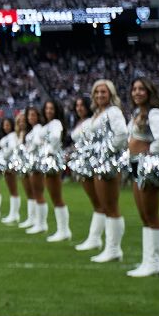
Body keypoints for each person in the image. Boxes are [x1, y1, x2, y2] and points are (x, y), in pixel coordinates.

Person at [125, 78, 159, 278]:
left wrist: (149, 153)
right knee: (144, 214)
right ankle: (147, 261)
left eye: (141, 89)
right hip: (136, 166)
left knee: (151, 214)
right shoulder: (137, 113)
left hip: (147, 167)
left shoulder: (154, 113)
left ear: (149, 92)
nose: (137, 92)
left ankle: (155, 262)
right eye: (134, 89)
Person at [87, 79, 128, 264]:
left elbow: (121, 134)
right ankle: (109, 247)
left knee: (111, 206)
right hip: (99, 161)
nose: (99, 95)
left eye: (103, 92)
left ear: (111, 94)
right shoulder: (98, 113)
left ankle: (114, 249)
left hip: (108, 162)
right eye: (97, 92)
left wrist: (107, 152)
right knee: (104, 205)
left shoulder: (113, 112)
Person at [69, 97, 103, 252]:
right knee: (96, 202)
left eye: (82, 105)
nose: (79, 108)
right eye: (77, 105)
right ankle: (94, 238)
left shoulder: (90, 121)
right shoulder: (80, 122)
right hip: (83, 163)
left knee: (99, 202)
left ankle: (96, 239)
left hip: (90, 163)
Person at [40, 100, 71, 242]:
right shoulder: (49, 124)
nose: (48, 111)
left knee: (56, 197)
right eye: (46, 108)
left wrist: (49, 150)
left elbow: (55, 137)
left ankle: (64, 230)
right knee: (53, 196)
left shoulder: (56, 123)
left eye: (51, 108)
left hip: (52, 161)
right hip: (48, 161)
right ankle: (62, 230)